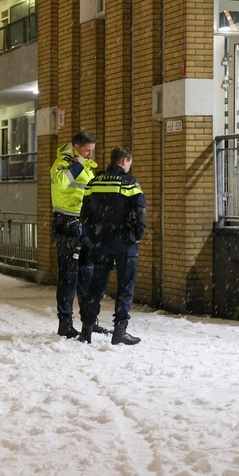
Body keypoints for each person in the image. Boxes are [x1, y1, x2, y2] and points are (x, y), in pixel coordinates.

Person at [79, 146, 146, 345]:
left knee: (96, 285)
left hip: (101, 240)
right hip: (124, 240)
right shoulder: (129, 183)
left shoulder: (94, 182)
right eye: (129, 163)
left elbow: (84, 215)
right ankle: (120, 330)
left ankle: (87, 328)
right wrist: (136, 235)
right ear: (124, 161)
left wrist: (93, 236)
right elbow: (141, 212)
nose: (129, 167)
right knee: (125, 285)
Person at [49, 130, 109, 338]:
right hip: (68, 225)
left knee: (87, 276)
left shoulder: (87, 167)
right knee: (69, 277)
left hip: (84, 225)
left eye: (92, 150)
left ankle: (89, 322)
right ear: (76, 147)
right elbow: (60, 182)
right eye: (87, 150)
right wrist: (77, 165)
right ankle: (65, 324)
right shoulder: (62, 163)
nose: (90, 154)